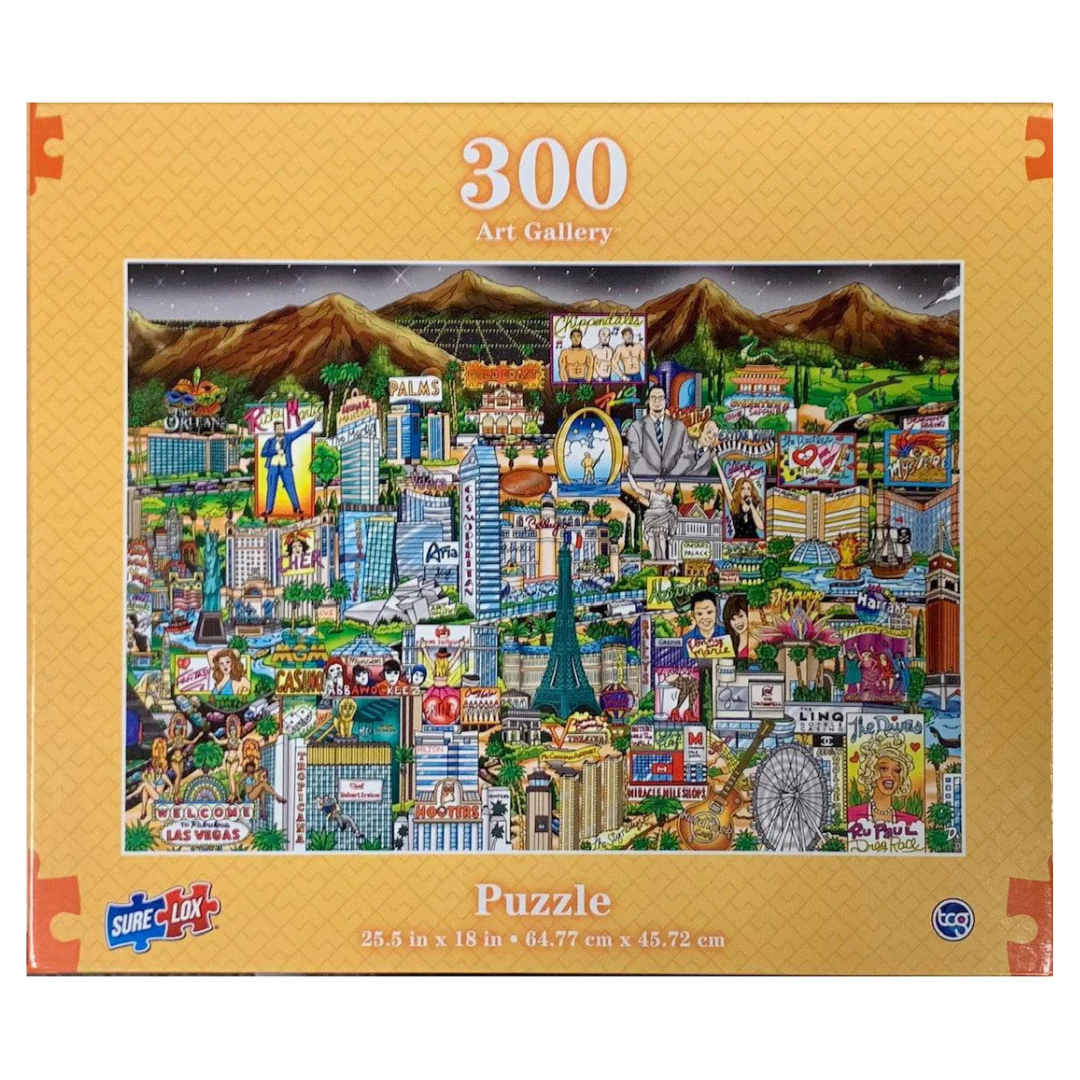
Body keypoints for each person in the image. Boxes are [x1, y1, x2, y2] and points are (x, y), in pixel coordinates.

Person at [848, 731, 921, 827]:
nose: (891, 775)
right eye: (883, 769)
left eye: (897, 770)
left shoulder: (912, 823)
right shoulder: (851, 816)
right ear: (871, 771)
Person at [626, 384, 695, 479]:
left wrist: (670, 478)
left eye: (660, 397)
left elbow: (688, 456)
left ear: (665, 401)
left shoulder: (679, 427)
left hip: (674, 481)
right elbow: (635, 459)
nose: (657, 401)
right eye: (653, 397)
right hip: (646, 482)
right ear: (648, 401)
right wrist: (658, 479)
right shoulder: (636, 427)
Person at [261, 416, 317, 517]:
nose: (280, 430)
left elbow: (301, 431)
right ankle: (268, 510)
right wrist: (276, 452)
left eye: (281, 428)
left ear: (284, 429)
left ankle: (297, 508)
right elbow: (263, 453)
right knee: (271, 488)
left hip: (285, 466)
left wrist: (313, 421)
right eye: (278, 429)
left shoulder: (288, 438)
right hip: (273, 466)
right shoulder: (270, 441)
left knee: (290, 486)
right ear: (275, 430)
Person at [681, 590, 733, 660]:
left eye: (709, 612)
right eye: (699, 614)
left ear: (717, 611)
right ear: (693, 615)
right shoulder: (686, 639)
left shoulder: (727, 634)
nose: (705, 617)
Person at [720, 472, 764, 540]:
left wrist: (751, 505)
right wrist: (718, 466)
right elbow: (725, 485)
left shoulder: (756, 505)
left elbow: (761, 527)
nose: (746, 491)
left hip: (753, 541)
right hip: (738, 541)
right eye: (743, 488)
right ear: (739, 491)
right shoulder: (734, 505)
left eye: (748, 489)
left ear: (751, 491)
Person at [722, 594, 751, 660]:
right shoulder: (728, 643)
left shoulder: (756, 643)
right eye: (733, 619)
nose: (737, 622)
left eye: (740, 616)